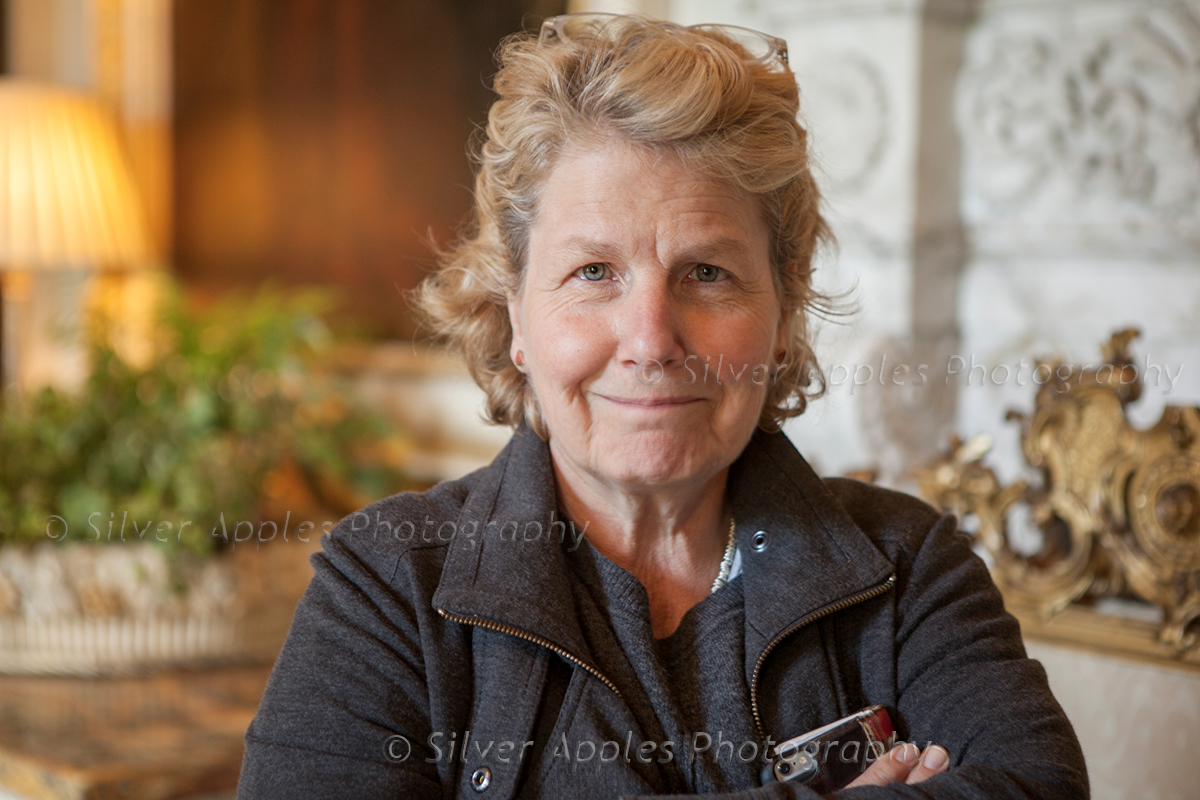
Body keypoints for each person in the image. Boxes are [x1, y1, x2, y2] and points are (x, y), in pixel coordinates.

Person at [237, 14, 1087, 799]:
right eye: (593, 273)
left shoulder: (909, 566)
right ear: (516, 315)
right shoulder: (387, 583)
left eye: (707, 273)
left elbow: (1039, 788)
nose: (651, 340)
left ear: (784, 313)